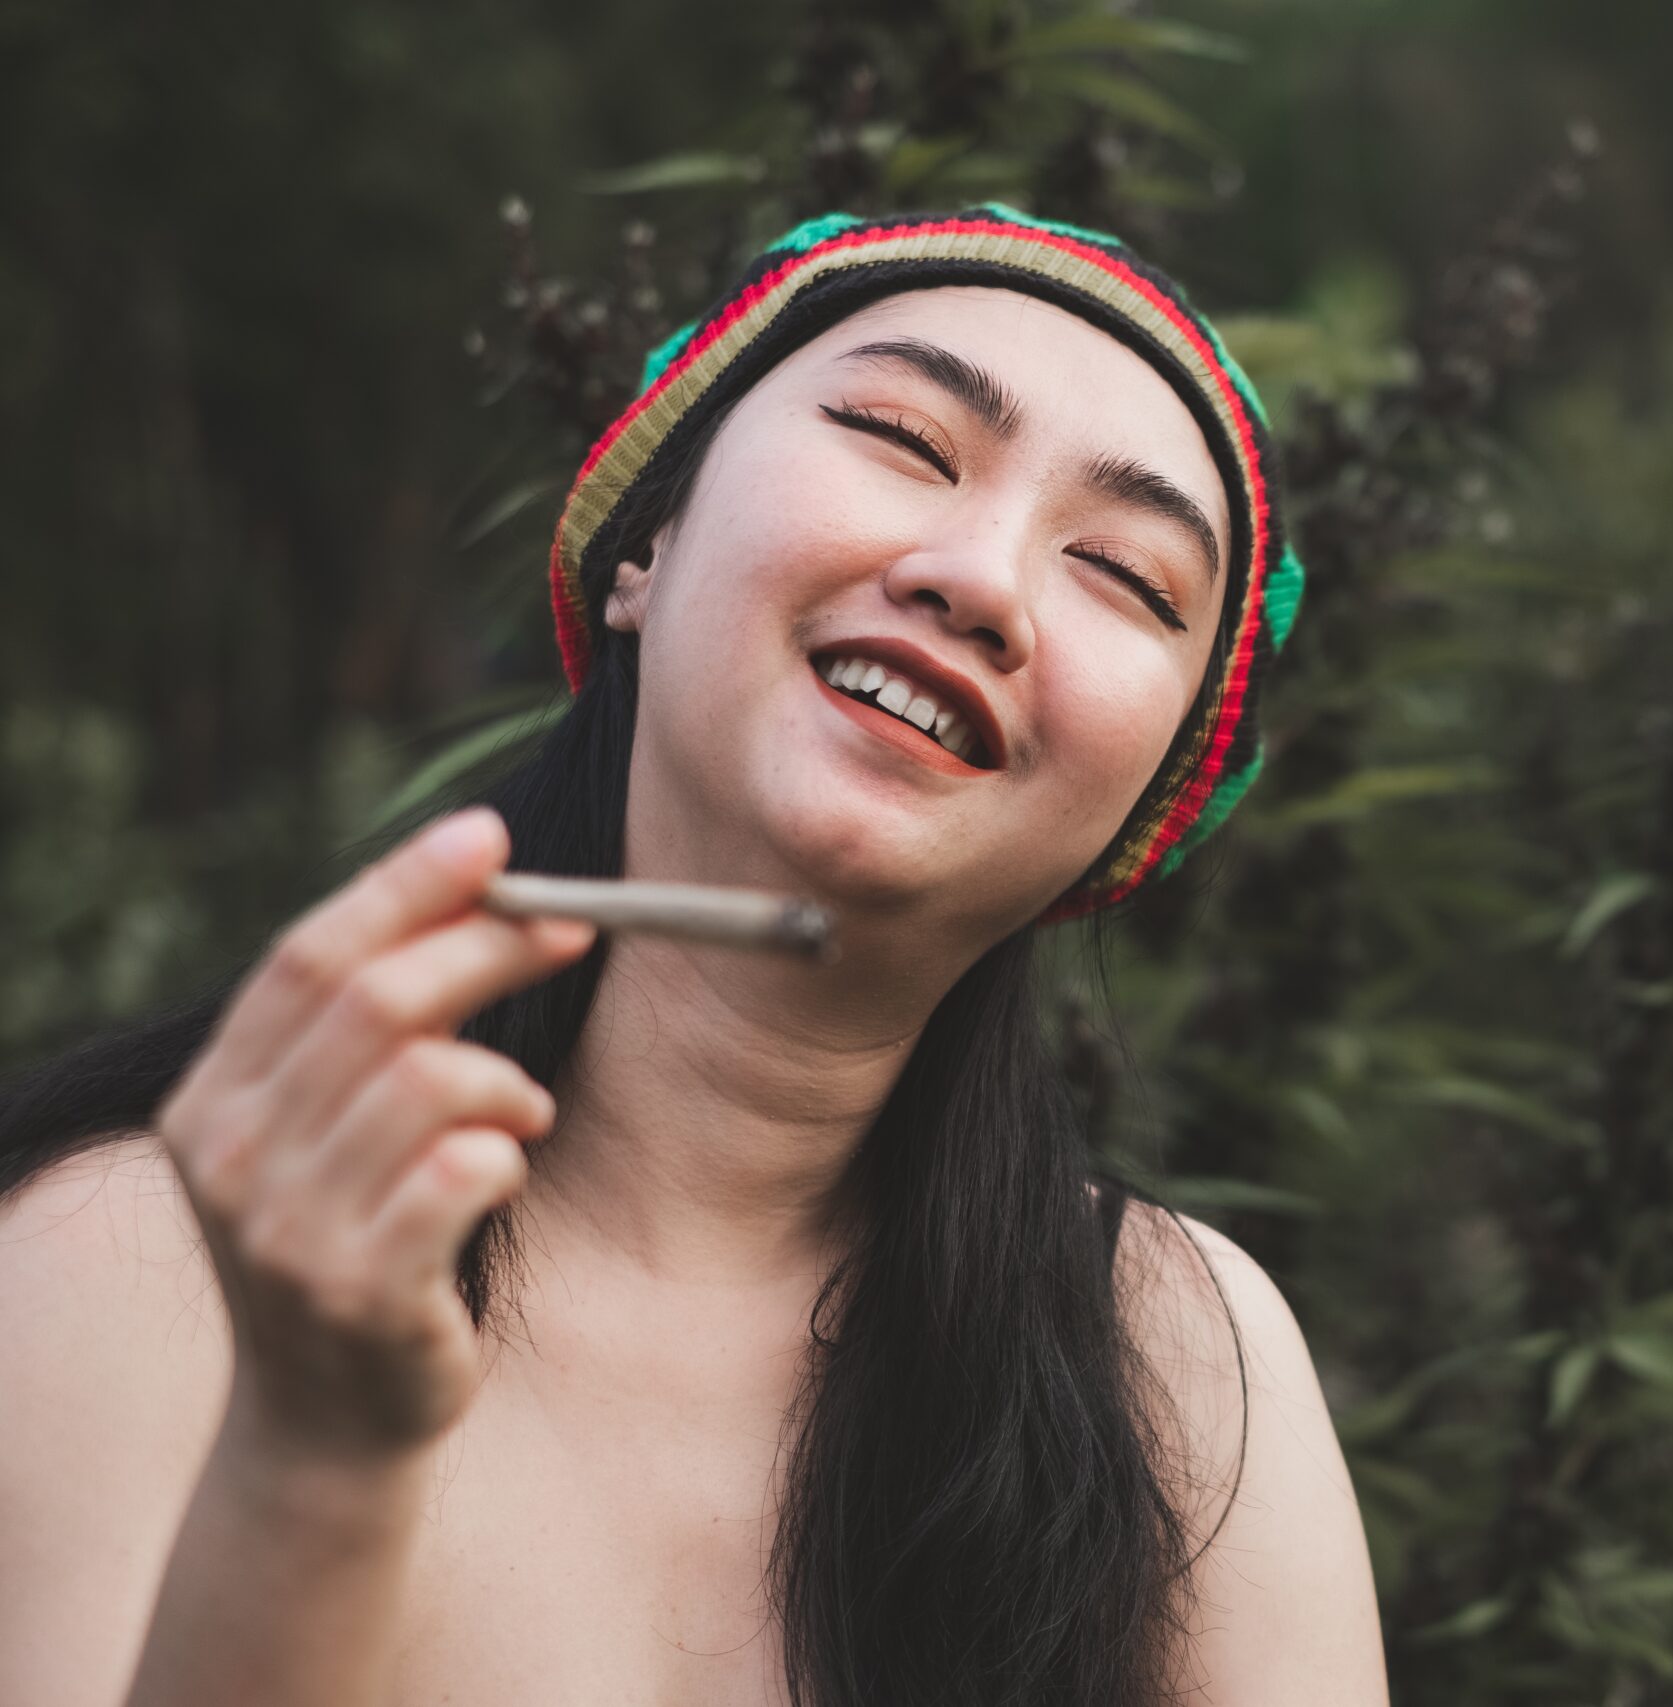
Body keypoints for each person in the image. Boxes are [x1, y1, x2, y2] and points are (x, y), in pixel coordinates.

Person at [0, 203, 1384, 1706]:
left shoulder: (1178, 1359)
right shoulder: (156, 1252)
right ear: (644, 549)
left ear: (1142, 817)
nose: (982, 579)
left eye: (1126, 575)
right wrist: (314, 1460)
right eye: (900, 436)